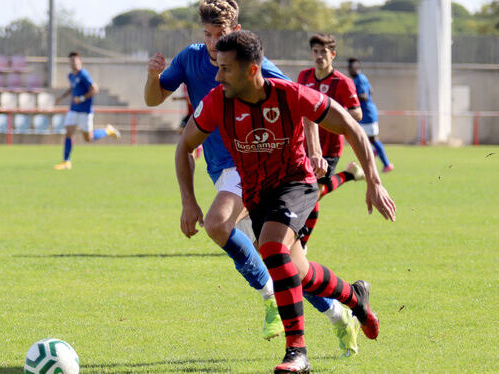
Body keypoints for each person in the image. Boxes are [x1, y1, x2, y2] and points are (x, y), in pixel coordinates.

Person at [175, 30, 396, 373]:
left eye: (225, 69)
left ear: (251, 70)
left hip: (297, 184)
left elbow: (351, 125)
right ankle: (356, 299)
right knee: (301, 273)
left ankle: (297, 351)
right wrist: (189, 202)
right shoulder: (218, 101)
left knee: (272, 249)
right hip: (258, 194)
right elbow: (184, 146)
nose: (217, 76)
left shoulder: (289, 95)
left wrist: (375, 181)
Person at [145, 0, 345, 349]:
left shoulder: (252, 64)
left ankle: (269, 297)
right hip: (221, 169)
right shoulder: (189, 58)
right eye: (207, 35)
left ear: (235, 32)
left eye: (219, 35)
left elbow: (305, 102)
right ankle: (337, 314)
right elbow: (153, 99)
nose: (212, 43)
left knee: (218, 224)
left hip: (255, 163)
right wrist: (152, 77)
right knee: (289, 266)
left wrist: (313, 149)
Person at [296, 34, 365, 254]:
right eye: (315, 52)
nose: (319, 56)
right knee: (307, 192)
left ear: (332, 55)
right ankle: (350, 175)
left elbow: (357, 113)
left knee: (314, 193)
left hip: (330, 149)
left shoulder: (343, 82)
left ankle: (302, 244)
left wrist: (331, 115)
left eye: (323, 52)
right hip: (304, 146)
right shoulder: (304, 76)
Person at [54, 51, 120, 170]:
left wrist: (81, 98)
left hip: (85, 111)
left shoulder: (83, 74)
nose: (73, 62)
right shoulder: (71, 76)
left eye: (75, 60)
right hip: (73, 110)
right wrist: (61, 97)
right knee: (68, 133)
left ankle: (108, 131)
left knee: (88, 138)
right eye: (71, 60)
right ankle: (66, 161)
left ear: (80, 61)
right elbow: (72, 88)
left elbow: (95, 89)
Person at [348, 58, 394, 172]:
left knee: (372, 139)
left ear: (357, 68)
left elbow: (364, 95)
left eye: (352, 67)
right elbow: (371, 91)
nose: (350, 70)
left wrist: (351, 96)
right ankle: (372, 155)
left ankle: (386, 164)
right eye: (349, 67)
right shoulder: (359, 79)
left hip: (368, 114)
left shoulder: (360, 79)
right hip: (363, 114)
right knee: (363, 139)